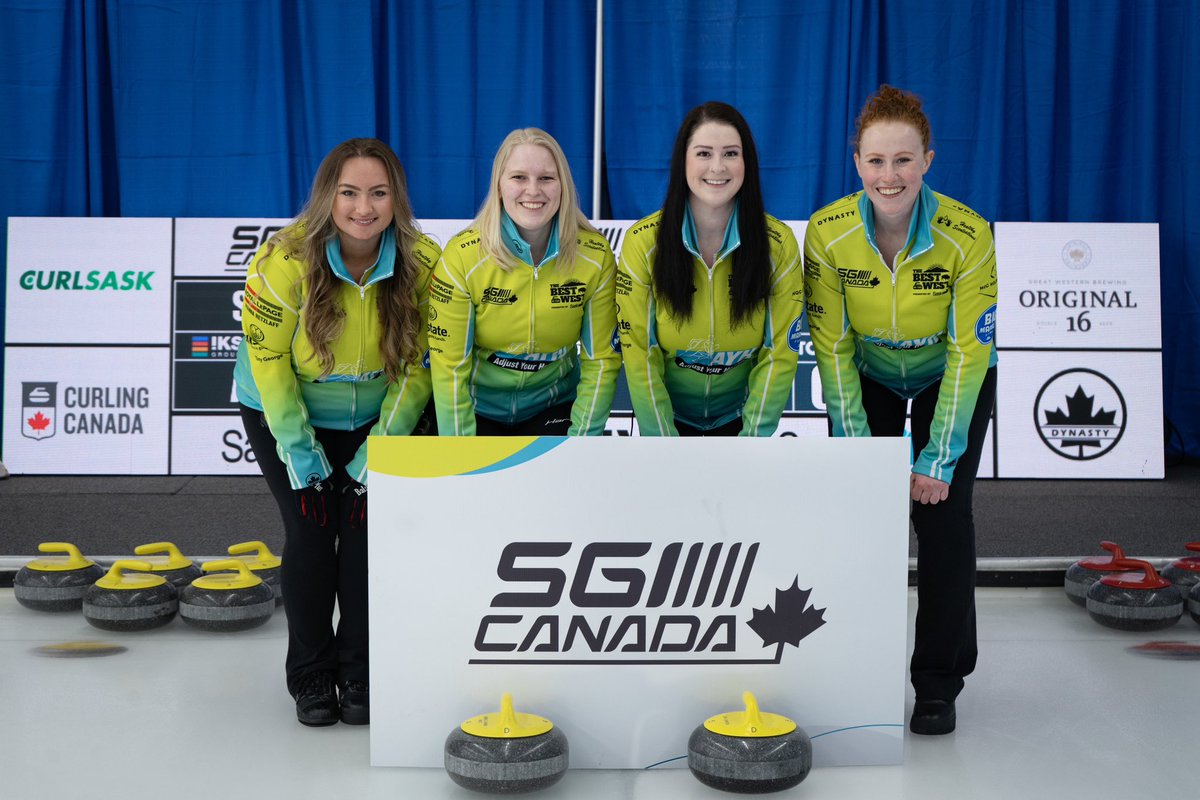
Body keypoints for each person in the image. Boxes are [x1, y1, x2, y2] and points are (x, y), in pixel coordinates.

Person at [804, 86, 998, 735]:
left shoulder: (968, 234)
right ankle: (855, 670)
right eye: (877, 162)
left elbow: (971, 351)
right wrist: (866, 460)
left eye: (904, 161)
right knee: (864, 522)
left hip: (950, 375)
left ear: (928, 161)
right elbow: (830, 349)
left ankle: (938, 683)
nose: (891, 177)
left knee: (944, 523)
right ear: (857, 163)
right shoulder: (828, 234)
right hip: (869, 377)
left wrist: (936, 458)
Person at [234, 138, 441, 727]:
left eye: (378, 193)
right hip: (288, 412)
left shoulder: (424, 262)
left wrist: (378, 454)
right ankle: (309, 674)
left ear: (396, 198)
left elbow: (422, 368)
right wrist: (303, 458)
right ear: (328, 196)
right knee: (309, 528)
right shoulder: (283, 261)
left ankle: (360, 671)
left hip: (380, 416)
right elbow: (270, 367)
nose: (363, 207)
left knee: (365, 534)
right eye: (349, 192)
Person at [616, 101, 803, 436]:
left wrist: (751, 444)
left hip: (741, 422)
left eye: (731, 153)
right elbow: (640, 356)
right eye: (703, 153)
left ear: (747, 162)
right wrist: (664, 446)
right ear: (682, 161)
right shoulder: (643, 243)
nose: (717, 167)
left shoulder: (779, 244)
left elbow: (780, 354)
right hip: (668, 423)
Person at [427, 128, 619, 435]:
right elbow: (449, 366)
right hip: (475, 410)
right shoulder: (463, 257)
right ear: (500, 186)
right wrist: (459, 455)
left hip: (553, 408)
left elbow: (602, 361)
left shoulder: (594, 257)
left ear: (563, 186)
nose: (533, 190)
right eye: (519, 178)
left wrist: (582, 444)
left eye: (546, 178)